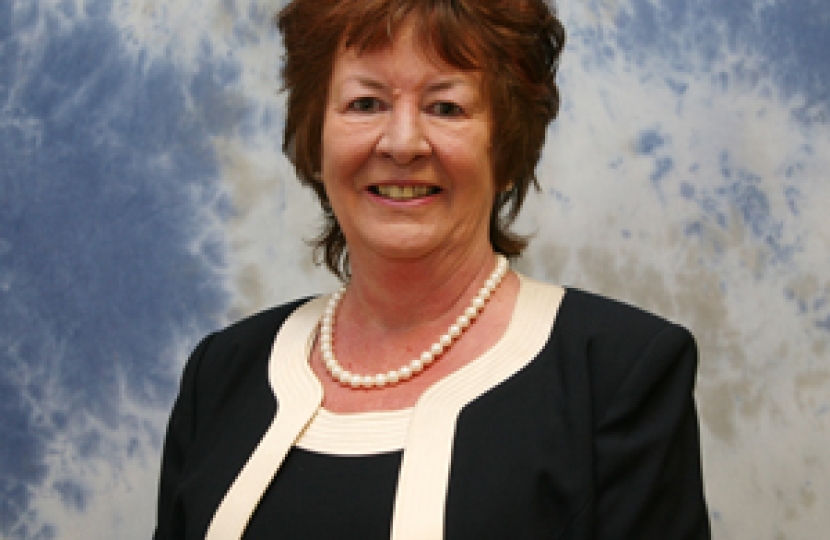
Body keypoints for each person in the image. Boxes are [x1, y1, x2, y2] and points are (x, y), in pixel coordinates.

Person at [153, 0, 711, 538]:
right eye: (365, 103)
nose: (402, 144)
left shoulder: (615, 375)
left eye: (445, 107)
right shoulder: (221, 374)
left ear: (506, 146)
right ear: (315, 136)